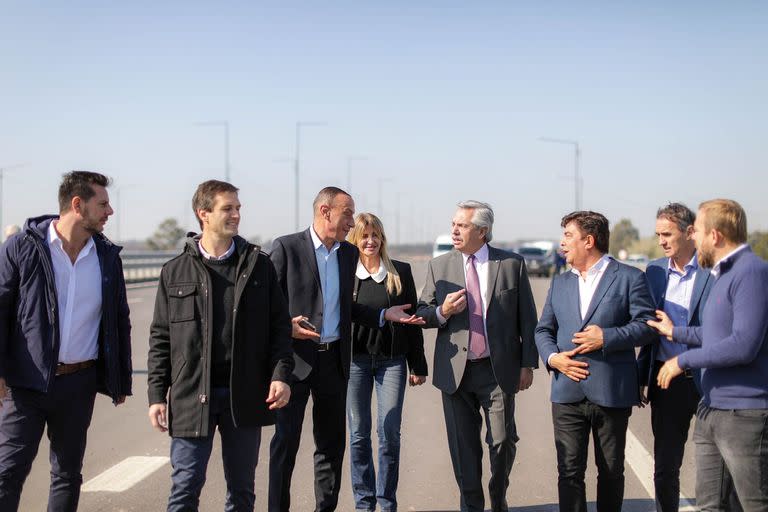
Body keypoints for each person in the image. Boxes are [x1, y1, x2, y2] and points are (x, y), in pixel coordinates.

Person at [268, 186, 424, 512]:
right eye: (348, 213)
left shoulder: (346, 253)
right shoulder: (286, 247)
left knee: (331, 447)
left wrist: (383, 314)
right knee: (285, 445)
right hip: (294, 362)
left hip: (334, 363)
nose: (351, 222)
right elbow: (267, 307)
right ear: (326, 211)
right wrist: (286, 326)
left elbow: (347, 309)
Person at [147, 180, 294, 511]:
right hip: (190, 395)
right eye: (228, 208)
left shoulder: (260, 266)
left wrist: (281, 374)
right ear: (204, 214)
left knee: (242, 491)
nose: (236, 215)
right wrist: (157, 395)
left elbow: (280, 328)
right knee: (184, 488)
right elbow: (160, 338)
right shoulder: (174, 271)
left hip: (243, 395)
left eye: (238, 208)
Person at [0, 171, 132, 511]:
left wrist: (120, 377)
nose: (109, 212)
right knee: (7, 472)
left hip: (78, 383)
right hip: (26, 384)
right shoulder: (23, 247)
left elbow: (118, 319)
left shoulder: (106, 258)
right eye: (102, 204)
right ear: (78, 204)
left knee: (67, 474)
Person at [416, 200, 538, 512]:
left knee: (501, 441)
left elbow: (527, 318)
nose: (454, 230)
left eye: (463, 225)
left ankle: (498, 494)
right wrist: (442, 312)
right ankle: (472, 505)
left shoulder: (511, 265)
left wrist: (527, 364)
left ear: (482, 231)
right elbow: (422, 312)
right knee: (463, 448)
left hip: (497, 370)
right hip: (455, 371)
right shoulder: (439, 266)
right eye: (453, 224)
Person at [534, 210, 655, 512]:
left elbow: (647, 326)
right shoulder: (560, 283)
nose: (562, 243)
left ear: (588, 241)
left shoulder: (629, 278)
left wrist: (607, 338)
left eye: (568, 236)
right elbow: (543, 329)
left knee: (611, 472)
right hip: (567, 392)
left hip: (612, 391)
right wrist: (553, 358)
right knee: (569, 473)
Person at [651, 199, 768, 511]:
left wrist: (682, 360)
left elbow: (743, 344)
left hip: (744, 414)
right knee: (709, 505)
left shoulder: (752, 273)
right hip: (712, 408)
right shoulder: (723, 274)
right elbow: (715, 335)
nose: (694, 236)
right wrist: (675, 333)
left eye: (697, 231)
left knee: (752, 504)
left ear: (714, 236)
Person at [346, 213, 428, 512]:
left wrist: (418, 365)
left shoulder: (400, 272)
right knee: (358, 435)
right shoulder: (346, 273)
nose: (370, 241)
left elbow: (412, 321)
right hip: (354, 363)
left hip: (391, 363)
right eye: (364, 235)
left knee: (389, 433)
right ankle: (364, 503)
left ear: (382, 239)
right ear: (354, 238)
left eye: (375, 235)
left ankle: (386, 503)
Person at [636, 203, 715, 512]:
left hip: (711, 378)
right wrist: (642, 376)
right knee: (666, 466)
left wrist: (676, 330)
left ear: (689, 232)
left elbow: (722, 329)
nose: (662, 241)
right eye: (658, 235)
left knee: (719, 464)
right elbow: (646, 327)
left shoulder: (714, 270)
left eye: (667, 234)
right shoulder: (654, 271)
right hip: (667, 380)